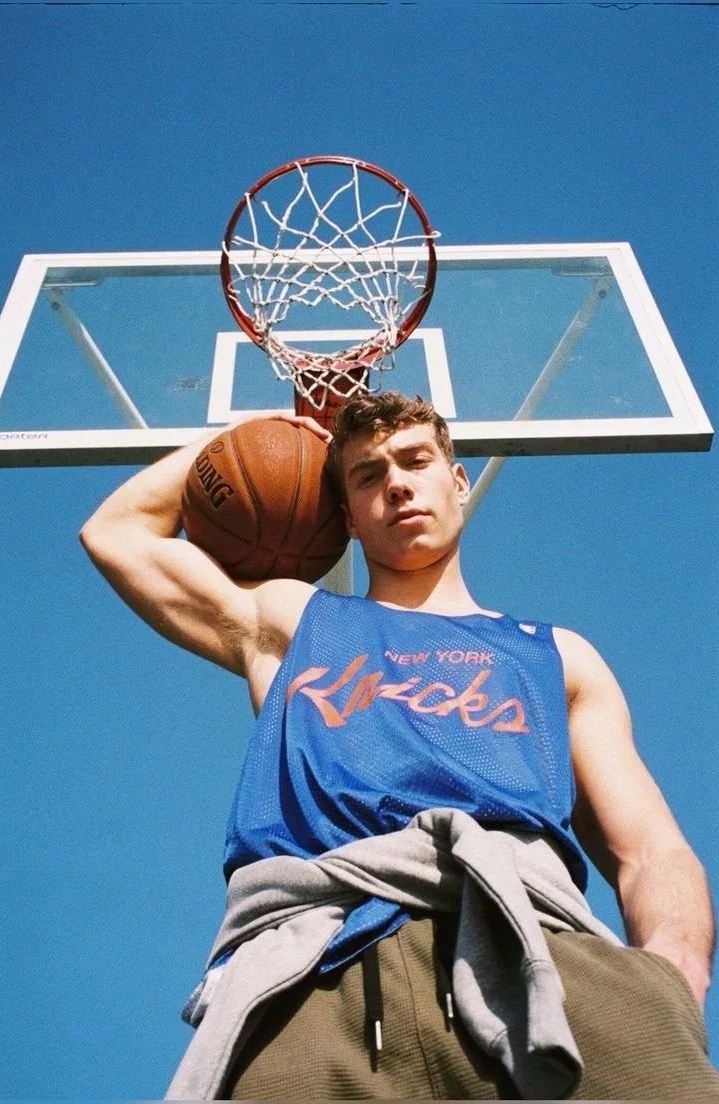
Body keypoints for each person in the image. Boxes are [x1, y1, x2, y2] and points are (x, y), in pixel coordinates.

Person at [80, 391, 717, 1100]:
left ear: (460, 480)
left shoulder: (556, 657)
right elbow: (118, 533)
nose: (397, 482)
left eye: (416, 460)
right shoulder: (294, 621)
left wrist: (671, 978)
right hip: (318, 975)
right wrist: (253, 435)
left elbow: (650, 850)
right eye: (366, 475)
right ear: (346, 518)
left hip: (541, 954)